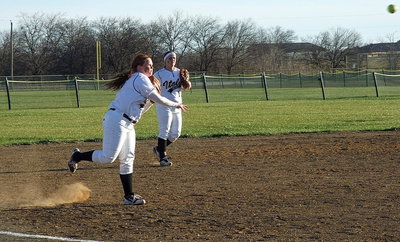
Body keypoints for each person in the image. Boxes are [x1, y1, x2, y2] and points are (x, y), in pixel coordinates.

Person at [67, 53, 188, 205]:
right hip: (117, 120)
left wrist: (150, 102)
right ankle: (77, 156)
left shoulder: (140, 80)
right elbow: (159, 98)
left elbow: (143, 109)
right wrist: (175, 104)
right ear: (138, 67)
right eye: (147, 66)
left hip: (128, 123)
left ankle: (128, 196)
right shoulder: (139, 78)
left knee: (128, 158)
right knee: (108, 157)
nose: (150, 68)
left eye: (151, 66)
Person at [153, 51, 191, 166]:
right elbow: (151, 86)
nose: (172, 61)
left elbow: (187, 86)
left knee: (175, 133)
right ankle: (163, 157)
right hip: (164, 105)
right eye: (169, 59)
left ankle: (159, 149)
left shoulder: (179, 72)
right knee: (164, 130)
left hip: (178, 105)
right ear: (165, 60)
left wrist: (187, 82)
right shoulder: (159, 74)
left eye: (173, 58)